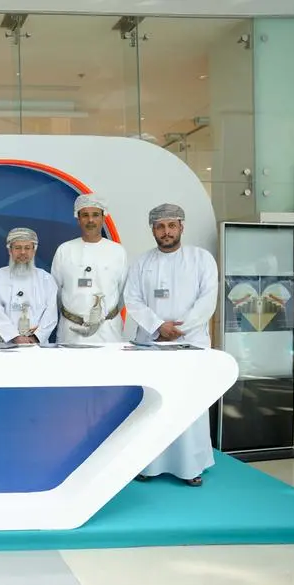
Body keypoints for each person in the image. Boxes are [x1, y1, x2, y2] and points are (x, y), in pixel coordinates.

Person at [124, 203, 218, 487]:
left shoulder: (201, 259)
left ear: (181, 227)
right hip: (152, 345)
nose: (166, 232)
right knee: (152, 406)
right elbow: (132, 299)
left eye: (171, 226)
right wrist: (158, 326)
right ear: (152, 230)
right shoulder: (141, 263)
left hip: (190, 346)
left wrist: (180, 330)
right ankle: (148, 464)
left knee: (188, 404)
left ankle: (191, 466)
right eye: (160, 227)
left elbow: (207, 300)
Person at [51, 194, 128, 344]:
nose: (90, 220)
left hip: (108, 331)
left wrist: (101, 316)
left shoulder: (117, 251)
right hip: (71, 331)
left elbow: (123, 293)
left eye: (95, 215)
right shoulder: (64, 250)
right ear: (78, 219)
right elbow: (55, 293)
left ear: (103, 218)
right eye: (85, 215)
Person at [0, 228, 58, 344]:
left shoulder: (46, 279)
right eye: (17, 248)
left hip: (37, 344)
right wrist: (14, 336)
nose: (23, 252)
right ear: (10, 250)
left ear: (34, 250)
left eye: (27, 248)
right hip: (6, 344)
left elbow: (51, 314)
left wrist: (36, 337)